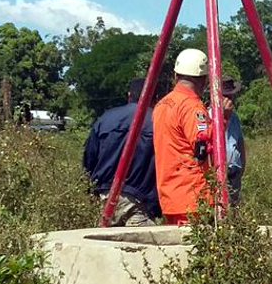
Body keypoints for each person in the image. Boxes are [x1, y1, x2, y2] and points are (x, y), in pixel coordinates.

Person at [83, 77, 160, 226]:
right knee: (143, 248)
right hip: (137, 201)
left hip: (104, 197)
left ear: (129, 95)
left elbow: (88, 159)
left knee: (103, 246)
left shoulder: (105, 118)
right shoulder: (156, 121)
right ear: (155, 98)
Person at [153, 48, 214, 225]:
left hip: (169, 197)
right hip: (194, 197)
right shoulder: (192, 107)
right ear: (203, 80)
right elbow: (202, 147)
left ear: (175, 76)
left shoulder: (161, 105)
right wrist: (221, 122)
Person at [222, 76, 246, 205]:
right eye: (226, 96)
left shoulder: (235, 118)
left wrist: (242, 164)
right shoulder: (210, 115)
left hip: (234, 168)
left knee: (234, 204)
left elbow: (240, 141)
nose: (229, 100)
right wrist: (223, 115)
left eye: (231, 97)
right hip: (220, 169)